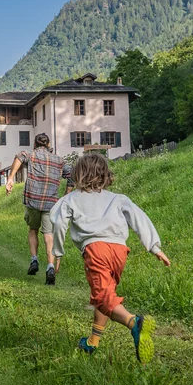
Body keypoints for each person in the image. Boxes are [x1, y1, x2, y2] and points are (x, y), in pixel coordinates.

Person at [50, 153, 171, 364]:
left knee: (102, 295)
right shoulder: (117, 198)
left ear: (78, 175)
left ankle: (134, 323)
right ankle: (92, 342)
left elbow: (59, 224)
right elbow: (138, 217)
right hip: (120, 251)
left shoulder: (70, 199)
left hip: (96, 250)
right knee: (106, 293)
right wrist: (154, 246)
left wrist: (57, 252)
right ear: (106, 175)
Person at [6, 133, 72, 285]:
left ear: (35, 144)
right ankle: (50, 266)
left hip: (33, 201)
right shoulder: (59, 160)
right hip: (51, 203)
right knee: (48, 235)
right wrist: (66, 195)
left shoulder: (31, 154)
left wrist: (11, 178)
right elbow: (72, 175)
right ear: (48, 145)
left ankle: (34, 260)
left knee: (33, 229)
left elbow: (20, 156)